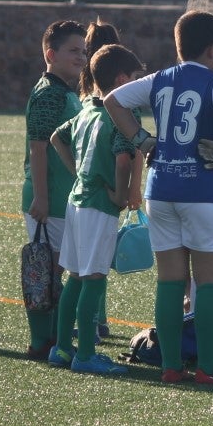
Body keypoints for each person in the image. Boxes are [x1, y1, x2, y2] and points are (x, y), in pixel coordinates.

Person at [104, 10, 213, 385]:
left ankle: (171, 365)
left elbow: (113, 101)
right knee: (208, 282)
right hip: (201, 191)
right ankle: (208, 366)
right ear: (212, 49)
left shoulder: (160, 79)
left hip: (161, 189)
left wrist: (143, 140)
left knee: (170, 281)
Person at [48, 44, 144, 374]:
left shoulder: (88, 110)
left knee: (75, 276)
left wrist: (77, 172)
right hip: (100, 207)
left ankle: (61, 347)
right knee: (94, 278)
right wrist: (121, 194)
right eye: (135, 79)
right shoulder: (119, 117)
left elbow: (57, 138)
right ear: (121, 79)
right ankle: (86, 354)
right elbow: (122, 159)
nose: (138, 84)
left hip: (76, 201)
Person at [20, 19, 86, 359]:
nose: (82, 56)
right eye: (74, 50)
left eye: (84, 50)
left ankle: (56, 341)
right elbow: (38, 147)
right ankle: (42, 343)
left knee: (58, 271)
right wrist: (41, 198)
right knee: (45, 271)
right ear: (51, 53)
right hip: (49, 199)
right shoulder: (48, 93)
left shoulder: (65, 91)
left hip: (64, 196)